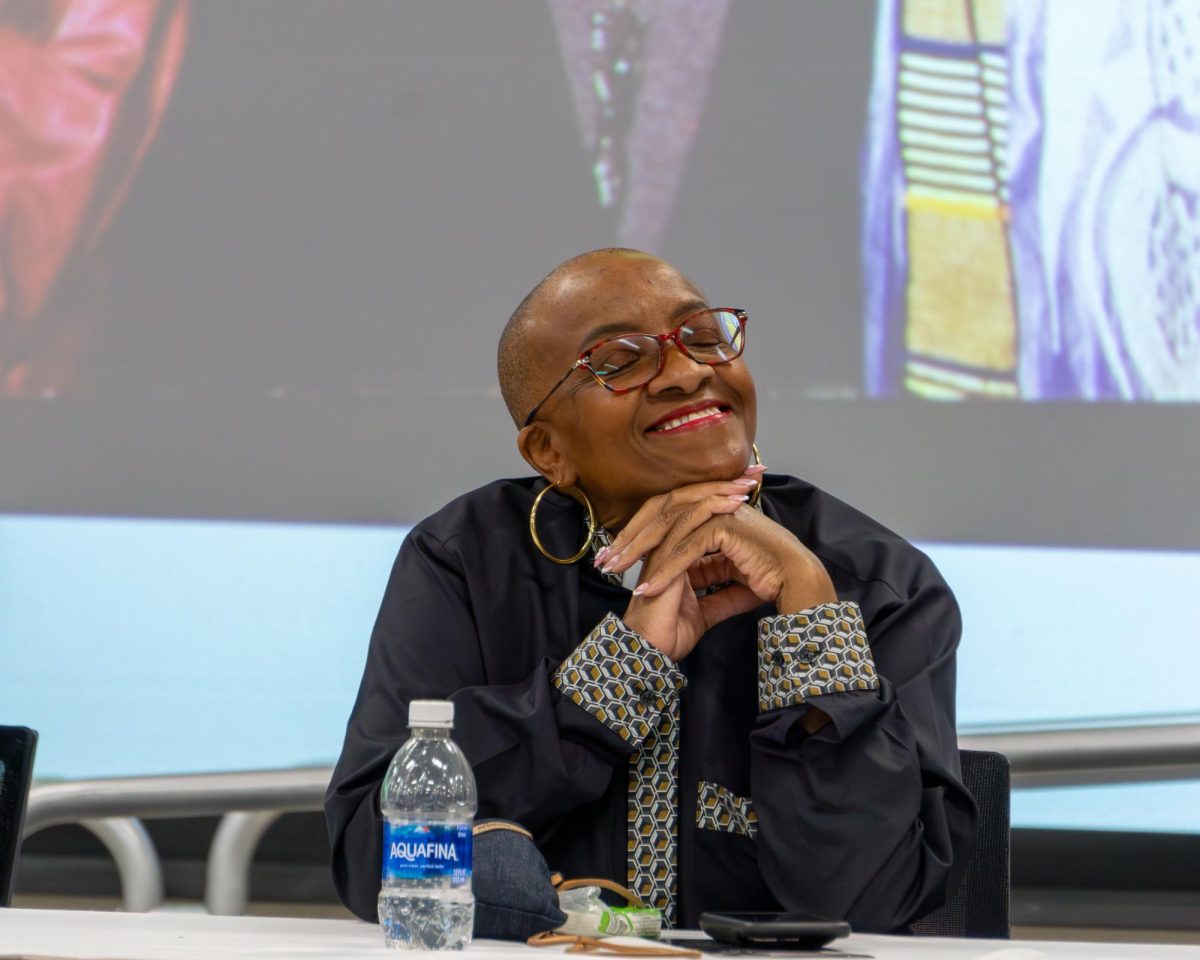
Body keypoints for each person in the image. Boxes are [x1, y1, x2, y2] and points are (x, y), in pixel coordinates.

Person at [325, 248, 976, 931]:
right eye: (620, 360)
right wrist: (616, 674)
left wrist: (811, 614)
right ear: (549, 451)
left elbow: (872, 906)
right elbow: (377, 853)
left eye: (703, 336)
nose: (689, 371)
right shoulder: (466, 560)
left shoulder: (883, 584)